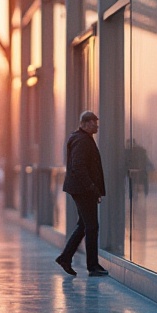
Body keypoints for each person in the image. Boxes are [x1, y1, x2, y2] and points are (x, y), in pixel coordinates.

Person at [55, 111, 108, 277]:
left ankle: (65, 257)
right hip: (83, 190)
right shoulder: (82, 140)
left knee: (84, 225)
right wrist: (92, 187)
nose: (97, 125)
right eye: (94, 122)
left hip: (81, 189)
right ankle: (92, 266)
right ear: (85, 123)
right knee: (92, 226)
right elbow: (78, 166)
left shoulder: (82, 138)